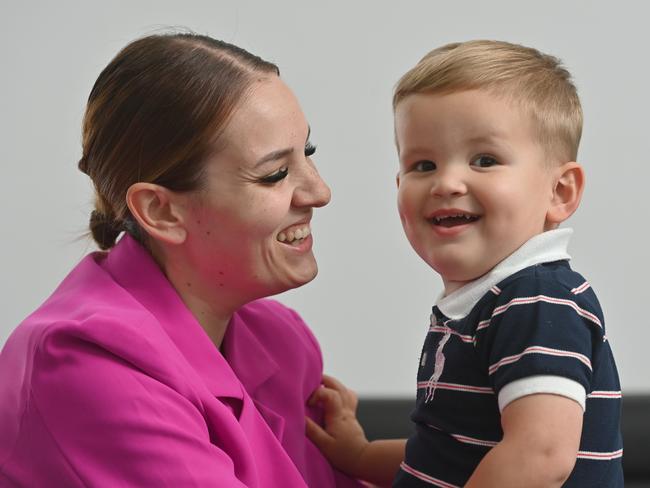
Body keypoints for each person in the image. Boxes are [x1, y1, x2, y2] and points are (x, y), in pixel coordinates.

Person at [0, 32, 364, 487]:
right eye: (274, 174)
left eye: (307, 153)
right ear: (160, 211)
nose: (319, 191)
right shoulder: (84, 365)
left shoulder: (280, 340)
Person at [306, 40, 623, 487]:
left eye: (485, 160)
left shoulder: (536, 300)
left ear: (560, 192)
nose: (447, 182)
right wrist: (360, 455)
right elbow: (449, 454)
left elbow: (541, 455)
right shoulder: (486, 304)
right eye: (423, 164)